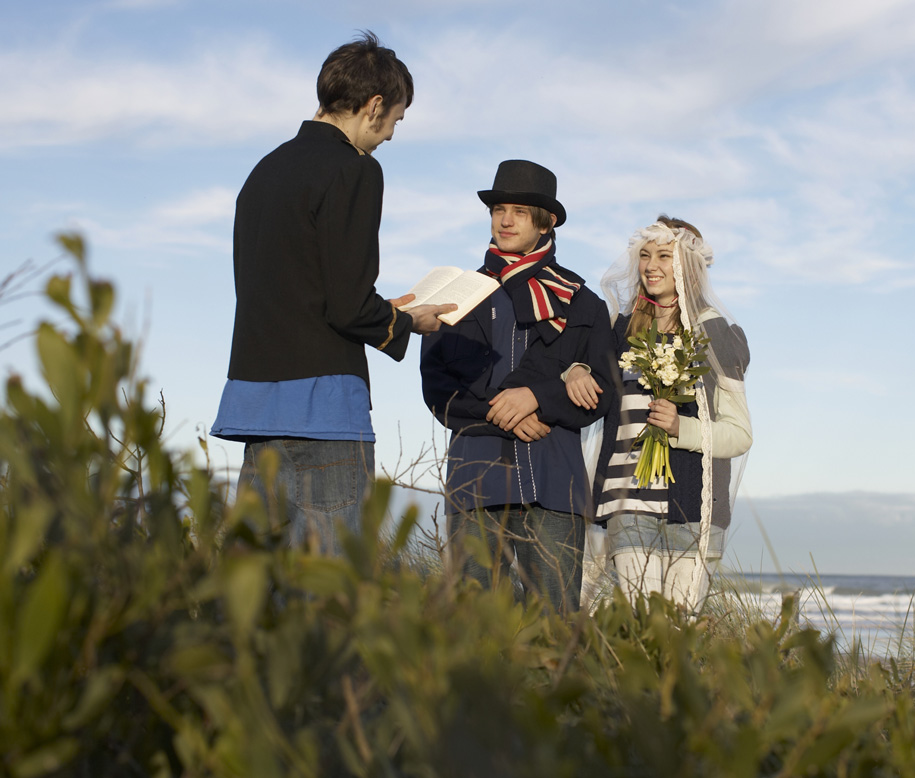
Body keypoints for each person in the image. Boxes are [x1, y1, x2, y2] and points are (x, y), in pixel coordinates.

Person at [211, 32, 454, 553]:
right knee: (332, 590)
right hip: (323, 411)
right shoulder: (355, 170)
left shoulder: (264, 171)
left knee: (260, 587)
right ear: (373, 107)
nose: (389, 135)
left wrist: (385, 310)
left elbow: (297, 289)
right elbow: (346, 304)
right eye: (395, 121)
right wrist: (411, 320)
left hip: (256, 406)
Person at [420, 160, 616, 614]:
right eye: (499, 209)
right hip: (476, 478)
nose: (505, 220)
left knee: (555, 626)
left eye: (521, 212)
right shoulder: (458, 294)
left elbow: (605, 391)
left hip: (553, 483)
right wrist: (503, 411)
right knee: (475, 626)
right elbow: (437, 388)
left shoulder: (583, 302)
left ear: (546, 223)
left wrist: (537, 399)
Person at [567, 216, 751, 612]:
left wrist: (680, 428)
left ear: (689, 265)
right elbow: (582, 372)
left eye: (664, 256)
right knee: (642, 622)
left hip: (695, 507)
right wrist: (576, 369)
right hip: (626, 500)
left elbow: (740, 435)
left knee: (680, 635)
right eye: (645, 255)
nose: (651, 266)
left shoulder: (716, 335)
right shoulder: (619, 330)